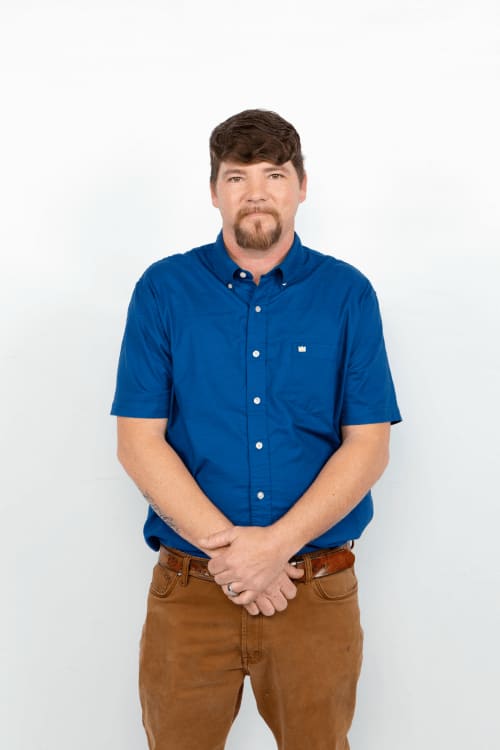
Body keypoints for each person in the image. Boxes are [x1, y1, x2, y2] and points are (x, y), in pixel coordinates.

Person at [111, 108, 401, 750]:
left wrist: (274, 549)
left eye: (274, 174)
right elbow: (138, 442)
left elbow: (369, 444)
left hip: (314, 589)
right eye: (237, 177)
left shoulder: (348, 294)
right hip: (191, 590)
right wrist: (235, 556)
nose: (257, 192)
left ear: (302, 186)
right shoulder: (163, 290)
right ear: (214, 191)